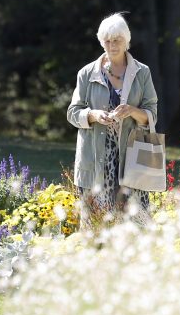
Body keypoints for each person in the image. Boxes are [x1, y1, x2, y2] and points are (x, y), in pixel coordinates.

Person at [67, 13, 159, 216]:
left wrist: (132, 111)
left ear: (126, 41)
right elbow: (73, 113)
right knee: (97, 225)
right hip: (96, 157)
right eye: (107, 41)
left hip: (133, 157)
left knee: (136, 222)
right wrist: (93, 115)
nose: (112, 45)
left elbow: (152, 114)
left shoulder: (142, 72)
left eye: (117, 40)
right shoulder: (87, 73)